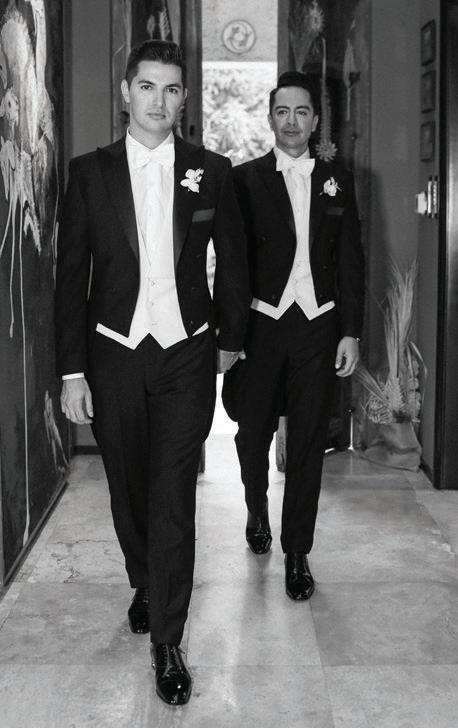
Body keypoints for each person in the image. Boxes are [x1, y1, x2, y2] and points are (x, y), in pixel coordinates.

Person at [55, 40, 249, 706]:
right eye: (147, 87)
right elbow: (69, 279)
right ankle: (144, 576)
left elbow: (235, 260)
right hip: (112, 351)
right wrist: (71, 372)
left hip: (187, 352)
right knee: (128, 487)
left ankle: (167, 639)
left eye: (170, 89)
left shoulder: (211, 171)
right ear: (125, 92)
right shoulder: (89, 173)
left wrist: (230, 341)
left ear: (184, 98)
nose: (158, 101)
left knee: (172, 495)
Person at [223, 71, 364, 601]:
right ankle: (256, 506)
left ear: (315, 120)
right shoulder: (244, 179)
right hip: (261, 323)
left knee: (308, 439)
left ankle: (298, 551)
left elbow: (351, 260)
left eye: (301, 112)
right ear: (270, 118)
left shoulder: (338, 180)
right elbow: (232, 264)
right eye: (282, 111)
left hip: (318, 325)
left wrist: (351, 332)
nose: (291, 121)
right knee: (251, 432)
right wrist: (231, 334)